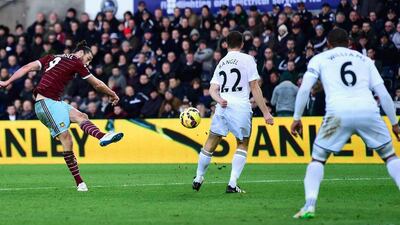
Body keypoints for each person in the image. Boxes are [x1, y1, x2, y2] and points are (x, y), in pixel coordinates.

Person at [291, 28, 400, 219]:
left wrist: (297, 118)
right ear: (349, 42)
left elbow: (305, 88)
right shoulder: (365, 60)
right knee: (390, 156)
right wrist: (394, 123)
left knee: (318, 159)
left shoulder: (320, 58)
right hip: (368, 110)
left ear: (329, 44)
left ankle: (309, 205)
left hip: (337, 113)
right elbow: (382, 93)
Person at [0, 41, 124, 192]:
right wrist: (112, 93)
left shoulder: (51, 57)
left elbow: (27, 67)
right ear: (80, 53)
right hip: (45, 103)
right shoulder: (76, 62)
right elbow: (96, 84)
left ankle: (102, 137)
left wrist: (7, 81)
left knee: (81, 116)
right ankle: (79, 182)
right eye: (88, 58)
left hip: (55, 103)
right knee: (66, 138)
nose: (88, 62)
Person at [192, 31, 274, 193]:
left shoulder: (221, 62)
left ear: (226, 44)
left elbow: (213, 89)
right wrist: (266, 112)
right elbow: (254, 87)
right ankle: (232, 183)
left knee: (211, 142)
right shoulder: (248, 59)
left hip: (222, 107)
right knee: (242, 143)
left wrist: (219, 100)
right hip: (240, 107)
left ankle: (198, 176)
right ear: (242, 44)